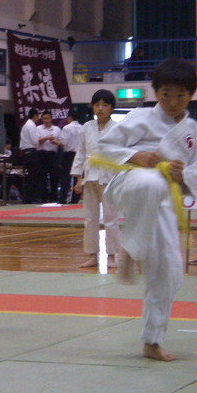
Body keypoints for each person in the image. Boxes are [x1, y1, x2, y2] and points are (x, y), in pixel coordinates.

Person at [99, 58, 197, 362]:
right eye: (165, 95)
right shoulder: (140, 117)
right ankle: (129, 250)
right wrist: (136, 155)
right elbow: (102, 147)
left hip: (163, 204)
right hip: (130, 186)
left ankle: (152, 340)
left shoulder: (195, 133)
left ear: (192, 95)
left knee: (169, 271)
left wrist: (181, 175)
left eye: (180, 96)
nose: (172, 102)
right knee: (151, 182)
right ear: (155, 92)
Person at [71, 89, 120, 269]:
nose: (100, 108)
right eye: (97, 105)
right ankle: (92, 255)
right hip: (90, 176)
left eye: (105, 105)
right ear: (92, 107)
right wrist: (78, 179)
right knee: (90, 218)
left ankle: (113, 256)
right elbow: (81, 153)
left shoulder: (117, 128)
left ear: (111, 108)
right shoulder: (86, 127)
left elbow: (122, 154)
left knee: (110, 218)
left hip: (110, 177)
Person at [36, 110, 62, 202]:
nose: (46, 120)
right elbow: (37, 141)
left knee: (54, 176)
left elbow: (61, 143)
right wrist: (47, 138)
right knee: (42, 176)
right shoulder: (38, 128)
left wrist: (55, 142)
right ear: (42, 120)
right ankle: (43, 197)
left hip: (53, 154)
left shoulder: (57, 129)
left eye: (48, 118)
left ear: (51, 119)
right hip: (41, 154)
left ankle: (54, 197)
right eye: (44, 119)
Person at [58, 110, 83, 203]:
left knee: (65, 177)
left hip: (68, 154)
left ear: (69, 118)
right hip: (79, 154)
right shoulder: (83, 128)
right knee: (78, 176)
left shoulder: (66, 128)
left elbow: (64, 142)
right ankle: (75, 199)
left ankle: (63, 198)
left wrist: (58, 142)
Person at [19, 109, 42, 204]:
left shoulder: (26, 125)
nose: (38, 119)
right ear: (35, 116)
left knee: (32, 176)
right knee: (34, 176)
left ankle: (28, 197)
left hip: (26, 152)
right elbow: (35, 141)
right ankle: (29, 198)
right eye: (38, 116)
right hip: (30, 152)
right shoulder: (31, 125)